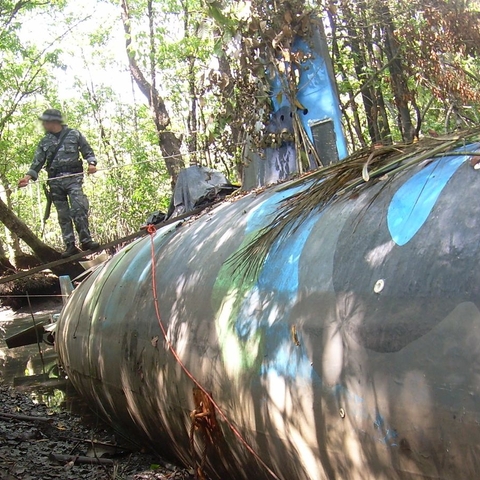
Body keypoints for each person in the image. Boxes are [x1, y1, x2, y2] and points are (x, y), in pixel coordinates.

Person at [18, 109, 100, 258]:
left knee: (79, 208)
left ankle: (86, 241)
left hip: (73, 178)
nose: (43, 124)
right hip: (55, 182)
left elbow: (87, 151)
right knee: (63, 214)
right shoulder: (44, 141)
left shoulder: (74, 134)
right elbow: (37, 162)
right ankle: (70, 245)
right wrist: (27, 178)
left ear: (53, 121)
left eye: (45, 121)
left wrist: (91, 164)